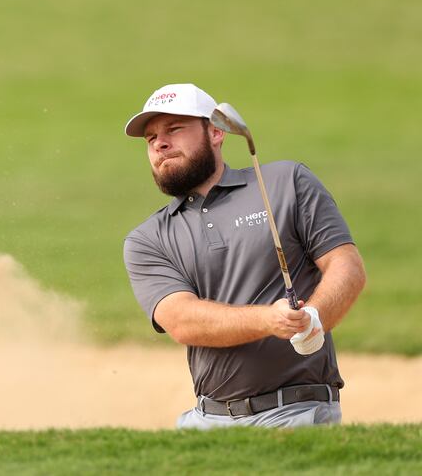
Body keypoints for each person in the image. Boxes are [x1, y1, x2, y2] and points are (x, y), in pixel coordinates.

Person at [122, 83, 366, 429]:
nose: (160, 143)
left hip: (298, 413)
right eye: (151, 138)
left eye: (174, 129)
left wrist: (315, 317)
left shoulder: (286, 183)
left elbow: (347, 265)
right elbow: (181, 319)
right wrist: (269, 320)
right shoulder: (148, 239)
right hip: (206, 421)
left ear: (216, 132)